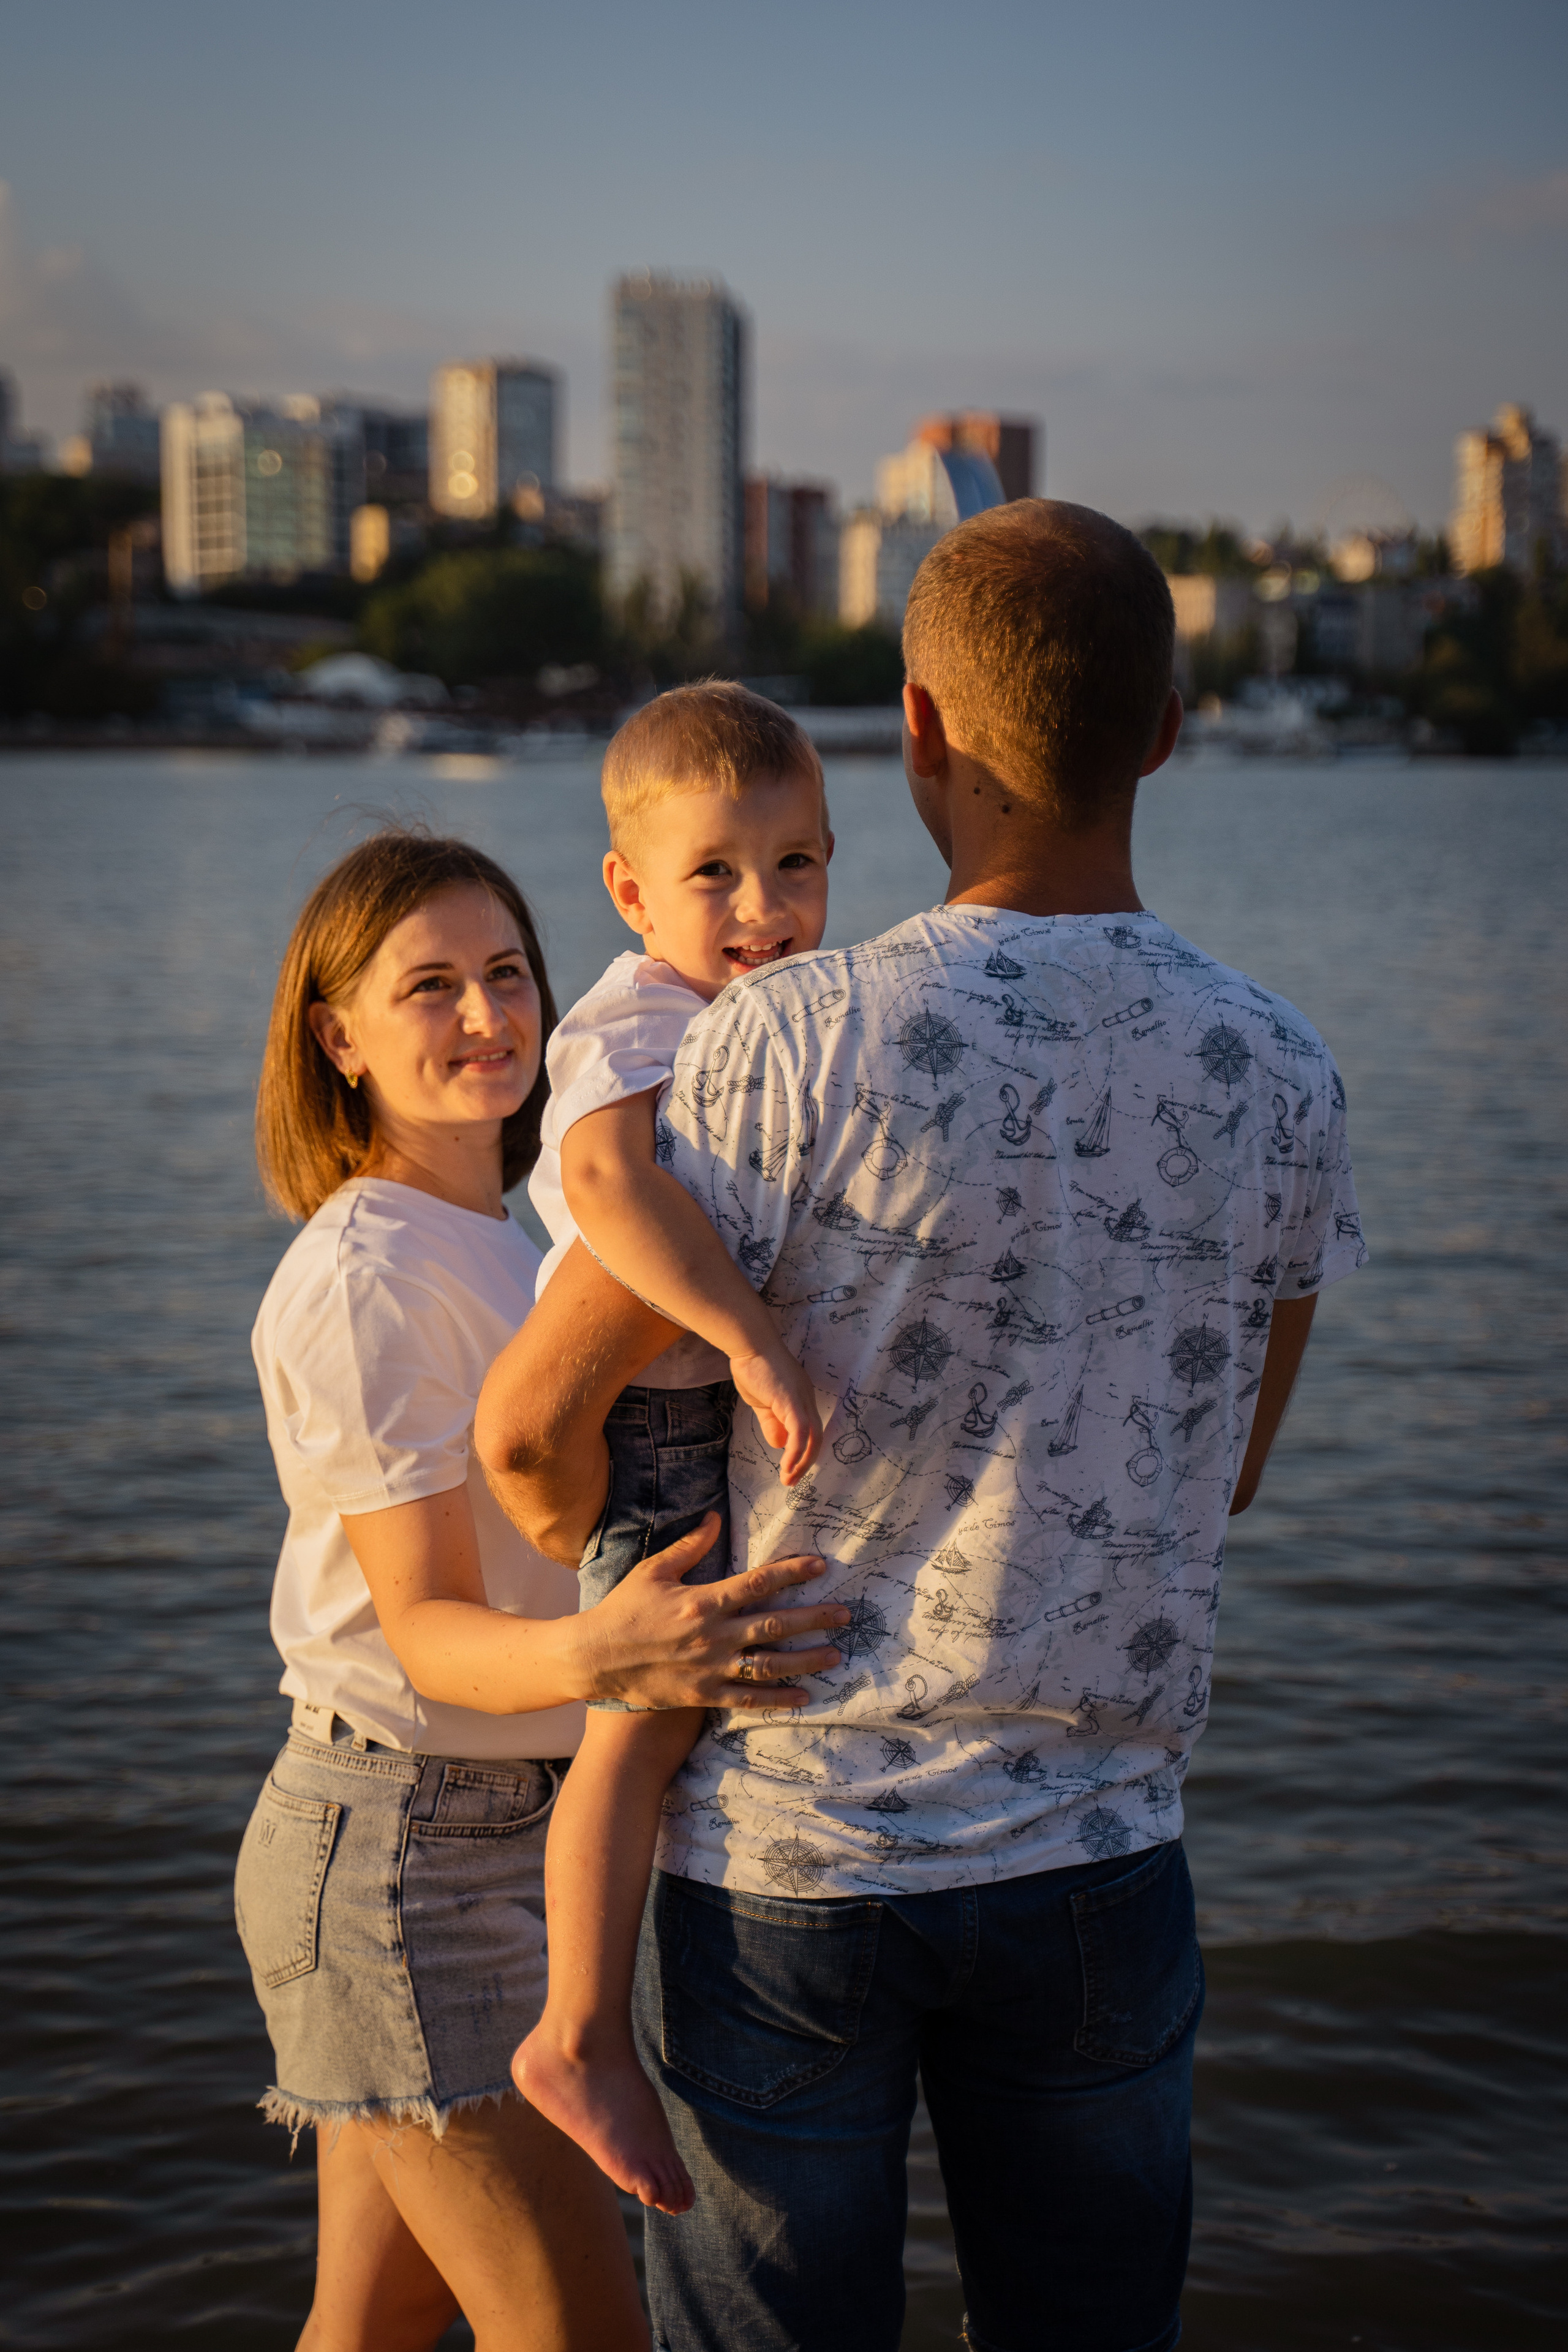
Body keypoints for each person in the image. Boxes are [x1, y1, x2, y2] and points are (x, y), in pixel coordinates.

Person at [480, 502, 1368, 2352]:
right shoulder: (1280, 1069)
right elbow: (1235, 1471)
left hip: (793, 1859)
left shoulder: (787, 1038)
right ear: (1170, 731)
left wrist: (618, 1611)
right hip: (1104, 1848)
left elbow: (527, 1431)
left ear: (920, 733)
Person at [236, 827, 848, 2352]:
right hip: (406, 1856)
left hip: (469, 1836)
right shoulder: (371, 1272)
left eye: (505, 973)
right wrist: (615, 1652)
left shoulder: (495, 1240)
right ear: (339, 1038)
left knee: (366, 2334)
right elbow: (425, 1629)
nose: (485, 1016)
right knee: (580, 2336)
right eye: (428, 986)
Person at [475, 685, 835, 2216]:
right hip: (655, 1421)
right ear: (628, 892)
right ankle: (574, 2035)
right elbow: (612, 1190)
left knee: (683, 1718)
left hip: (705, 1422)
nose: (763, 909)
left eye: (799, 865)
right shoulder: (629, 1022)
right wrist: (751, 1332)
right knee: (630, 1720)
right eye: (715, 875)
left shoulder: (780, 1014)